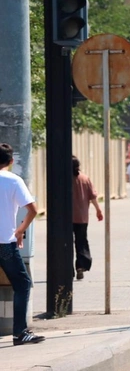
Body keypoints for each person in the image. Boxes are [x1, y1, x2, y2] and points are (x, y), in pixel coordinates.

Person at [0, 143, 45, 345]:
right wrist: (20, 230)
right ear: (11, 161)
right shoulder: (13, 180)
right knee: (22, 283)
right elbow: (33, 209)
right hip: (5, 244)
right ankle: (20, 332)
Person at [72, 156, 103, 280]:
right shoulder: (85, 178)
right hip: (82, 217)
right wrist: (98, 210)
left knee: (65, 244)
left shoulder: (62, 179)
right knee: (82, 241)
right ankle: (81, 266)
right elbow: (92, 196)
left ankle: (66, 269)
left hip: (66, 218)